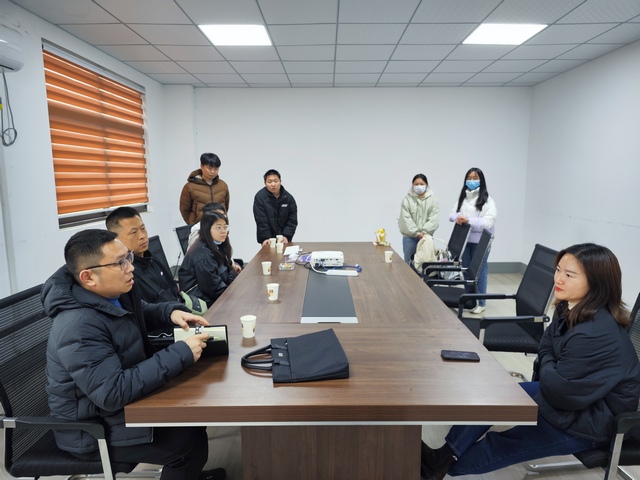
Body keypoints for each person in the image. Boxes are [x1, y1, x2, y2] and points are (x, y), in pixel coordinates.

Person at [420, 243, 640, 480]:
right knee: (495, 397)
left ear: (596, 283)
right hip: (574, 399)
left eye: (569, 275)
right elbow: (546, 344)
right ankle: (445, 454)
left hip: (592, 422)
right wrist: (552, 365)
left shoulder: (595, 332)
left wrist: (549, 364)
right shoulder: (569, 307)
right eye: (558, 270)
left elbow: (558, 389)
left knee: (503, 444)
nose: (558, 279)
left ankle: (444, 467)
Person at [43, 229, 226, 480]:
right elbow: (111, 393)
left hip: (114, 412)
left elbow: (140, 311)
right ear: (88, 277)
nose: (131, 267)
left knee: (194, 412)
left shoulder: (111, 294)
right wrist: (181, 352)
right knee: (188, 445)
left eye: (128, 257)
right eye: (120, 263)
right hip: (92, 430)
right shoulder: (78, 326)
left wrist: (170, 313)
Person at [106, 207, 181, 305]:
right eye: (134, 232)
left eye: (143, 228)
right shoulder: (125, 275)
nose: (142, 236)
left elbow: (174, 289)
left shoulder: (150, 258)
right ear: (116, 239)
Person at [449, 167, 496, 314]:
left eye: (475, 178)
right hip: (465, 240)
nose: (471, 181)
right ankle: (469, 299)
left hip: (481, 241)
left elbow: (488, 221)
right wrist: (458, 218)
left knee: (479, 271)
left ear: (481, 180)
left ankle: (481, 302)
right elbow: (452, 214)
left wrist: (468, 220)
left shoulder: (487, 200)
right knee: (466, 270)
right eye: (469, 178)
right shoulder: (463, 197)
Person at [179, 211, 239, 307]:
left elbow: (228, 271)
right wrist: (235, 294)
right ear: (207, 229)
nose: (223, 231)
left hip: (215, 295)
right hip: (202, 302)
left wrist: (235, 286)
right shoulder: (202, 255)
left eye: (225, 227)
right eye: (218, 227)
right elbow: (213, 289)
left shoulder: (217, 245)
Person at [398, 173, 440, 265]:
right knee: (409, 264)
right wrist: (416, 233)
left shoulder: (433, 200)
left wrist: (424, 232)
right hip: (410, 238)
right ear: (412, 185)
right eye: (416, 184)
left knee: (425, 265)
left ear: (426, 185)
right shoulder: (407, 200)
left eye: (421, 184)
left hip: (426, 238)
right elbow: (405, 219)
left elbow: (434, 219)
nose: (419, 186)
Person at [180, 153, 230, 225]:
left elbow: (225, 206)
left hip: (220, 226)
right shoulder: (189, 187)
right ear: (201, 166)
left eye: (216, 169)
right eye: (209, 168)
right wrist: (192, 224)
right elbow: (184, 210)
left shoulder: (223, 185)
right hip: (199, 227)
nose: (213, 171)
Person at [253, 169, 298, 246]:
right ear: (265, 183)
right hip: (267, 240)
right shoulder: (260, 197)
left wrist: (286, 236)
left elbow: (292, 220)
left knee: (284, 253)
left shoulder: (288, 198)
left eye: (276, 181)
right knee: (268, 254)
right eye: (269, 182)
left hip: (283, 239)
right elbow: (261, 220)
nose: (273, 184)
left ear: (280, 181)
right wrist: (265, 238)